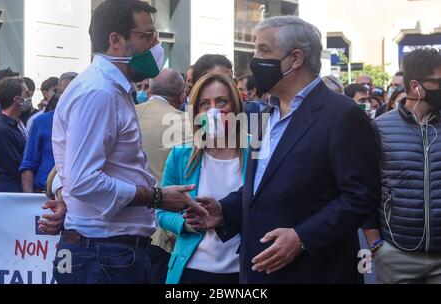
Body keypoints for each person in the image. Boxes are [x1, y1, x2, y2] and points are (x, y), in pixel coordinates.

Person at [185, 15, 380, 284]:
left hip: (313, 273)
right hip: (258, 271)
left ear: (296, 59)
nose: (254, 59)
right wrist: (225, 210)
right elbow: (262, 187)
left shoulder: (342, 114)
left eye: (263, 50)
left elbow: (360, 197)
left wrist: (302, 237)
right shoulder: (265, 115)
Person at [51, 0, 206, 284]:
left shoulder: (110, 90)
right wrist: (158, 197)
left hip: (106, 253)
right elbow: (84, 180)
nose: (155, 46)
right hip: (104, 255)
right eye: (147, 36)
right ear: (116, 40)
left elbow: (73, 172)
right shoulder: (100, 93)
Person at [158, 73, 249, 284]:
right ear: (196, 112)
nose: (213, 110)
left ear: (235, 107)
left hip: (243, 271)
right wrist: (187, 224)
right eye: (204, 104)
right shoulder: (181, 154)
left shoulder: (256, 152)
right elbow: (161, 211)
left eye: (221, 101)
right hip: (192, 270)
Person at [363, 48, 441, 284]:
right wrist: (376, 245)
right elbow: (365, 189)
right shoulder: (380, 127)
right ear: (416, 86)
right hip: (396, 256)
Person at [135, 68, 190, 284]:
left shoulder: (124, 113)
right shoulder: (187, 123)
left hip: (117, 231)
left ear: (149, 90)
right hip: (164, 234)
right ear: (181, 96)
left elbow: (60, 172)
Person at [20, 72, 78, 193]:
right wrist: (28, 200)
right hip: (43, 195)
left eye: (73, 90)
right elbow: (28, 164)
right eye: (63, 91)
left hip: (78, 194)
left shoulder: (90, 122)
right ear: (58, 94)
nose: (68, 96)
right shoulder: (41, 122)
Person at [0, 77, 30, 192]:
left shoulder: (18, 124)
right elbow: (16, 166)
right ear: (18, 99)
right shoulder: (1, 129)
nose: (29, 98)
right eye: (27, 94)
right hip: (11, 192)